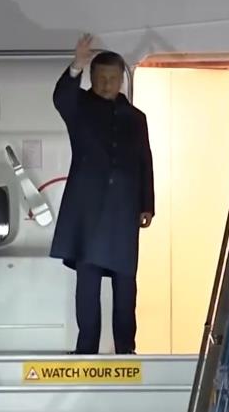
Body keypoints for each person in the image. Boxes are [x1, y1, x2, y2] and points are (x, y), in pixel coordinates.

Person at [49, 34, 155, 355]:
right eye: (101, 78)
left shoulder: (136, 118)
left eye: (113, 78)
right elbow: (61, 97)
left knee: (126, 283)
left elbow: (145, 161)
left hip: (124, 211)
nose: (107, 84)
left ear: (121, 80)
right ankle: (86, 349)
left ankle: (126, 348)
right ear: (92, 78)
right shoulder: (80, 108)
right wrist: (76, 66)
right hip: (87, 211)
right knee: (88, 282)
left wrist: (147, 204)